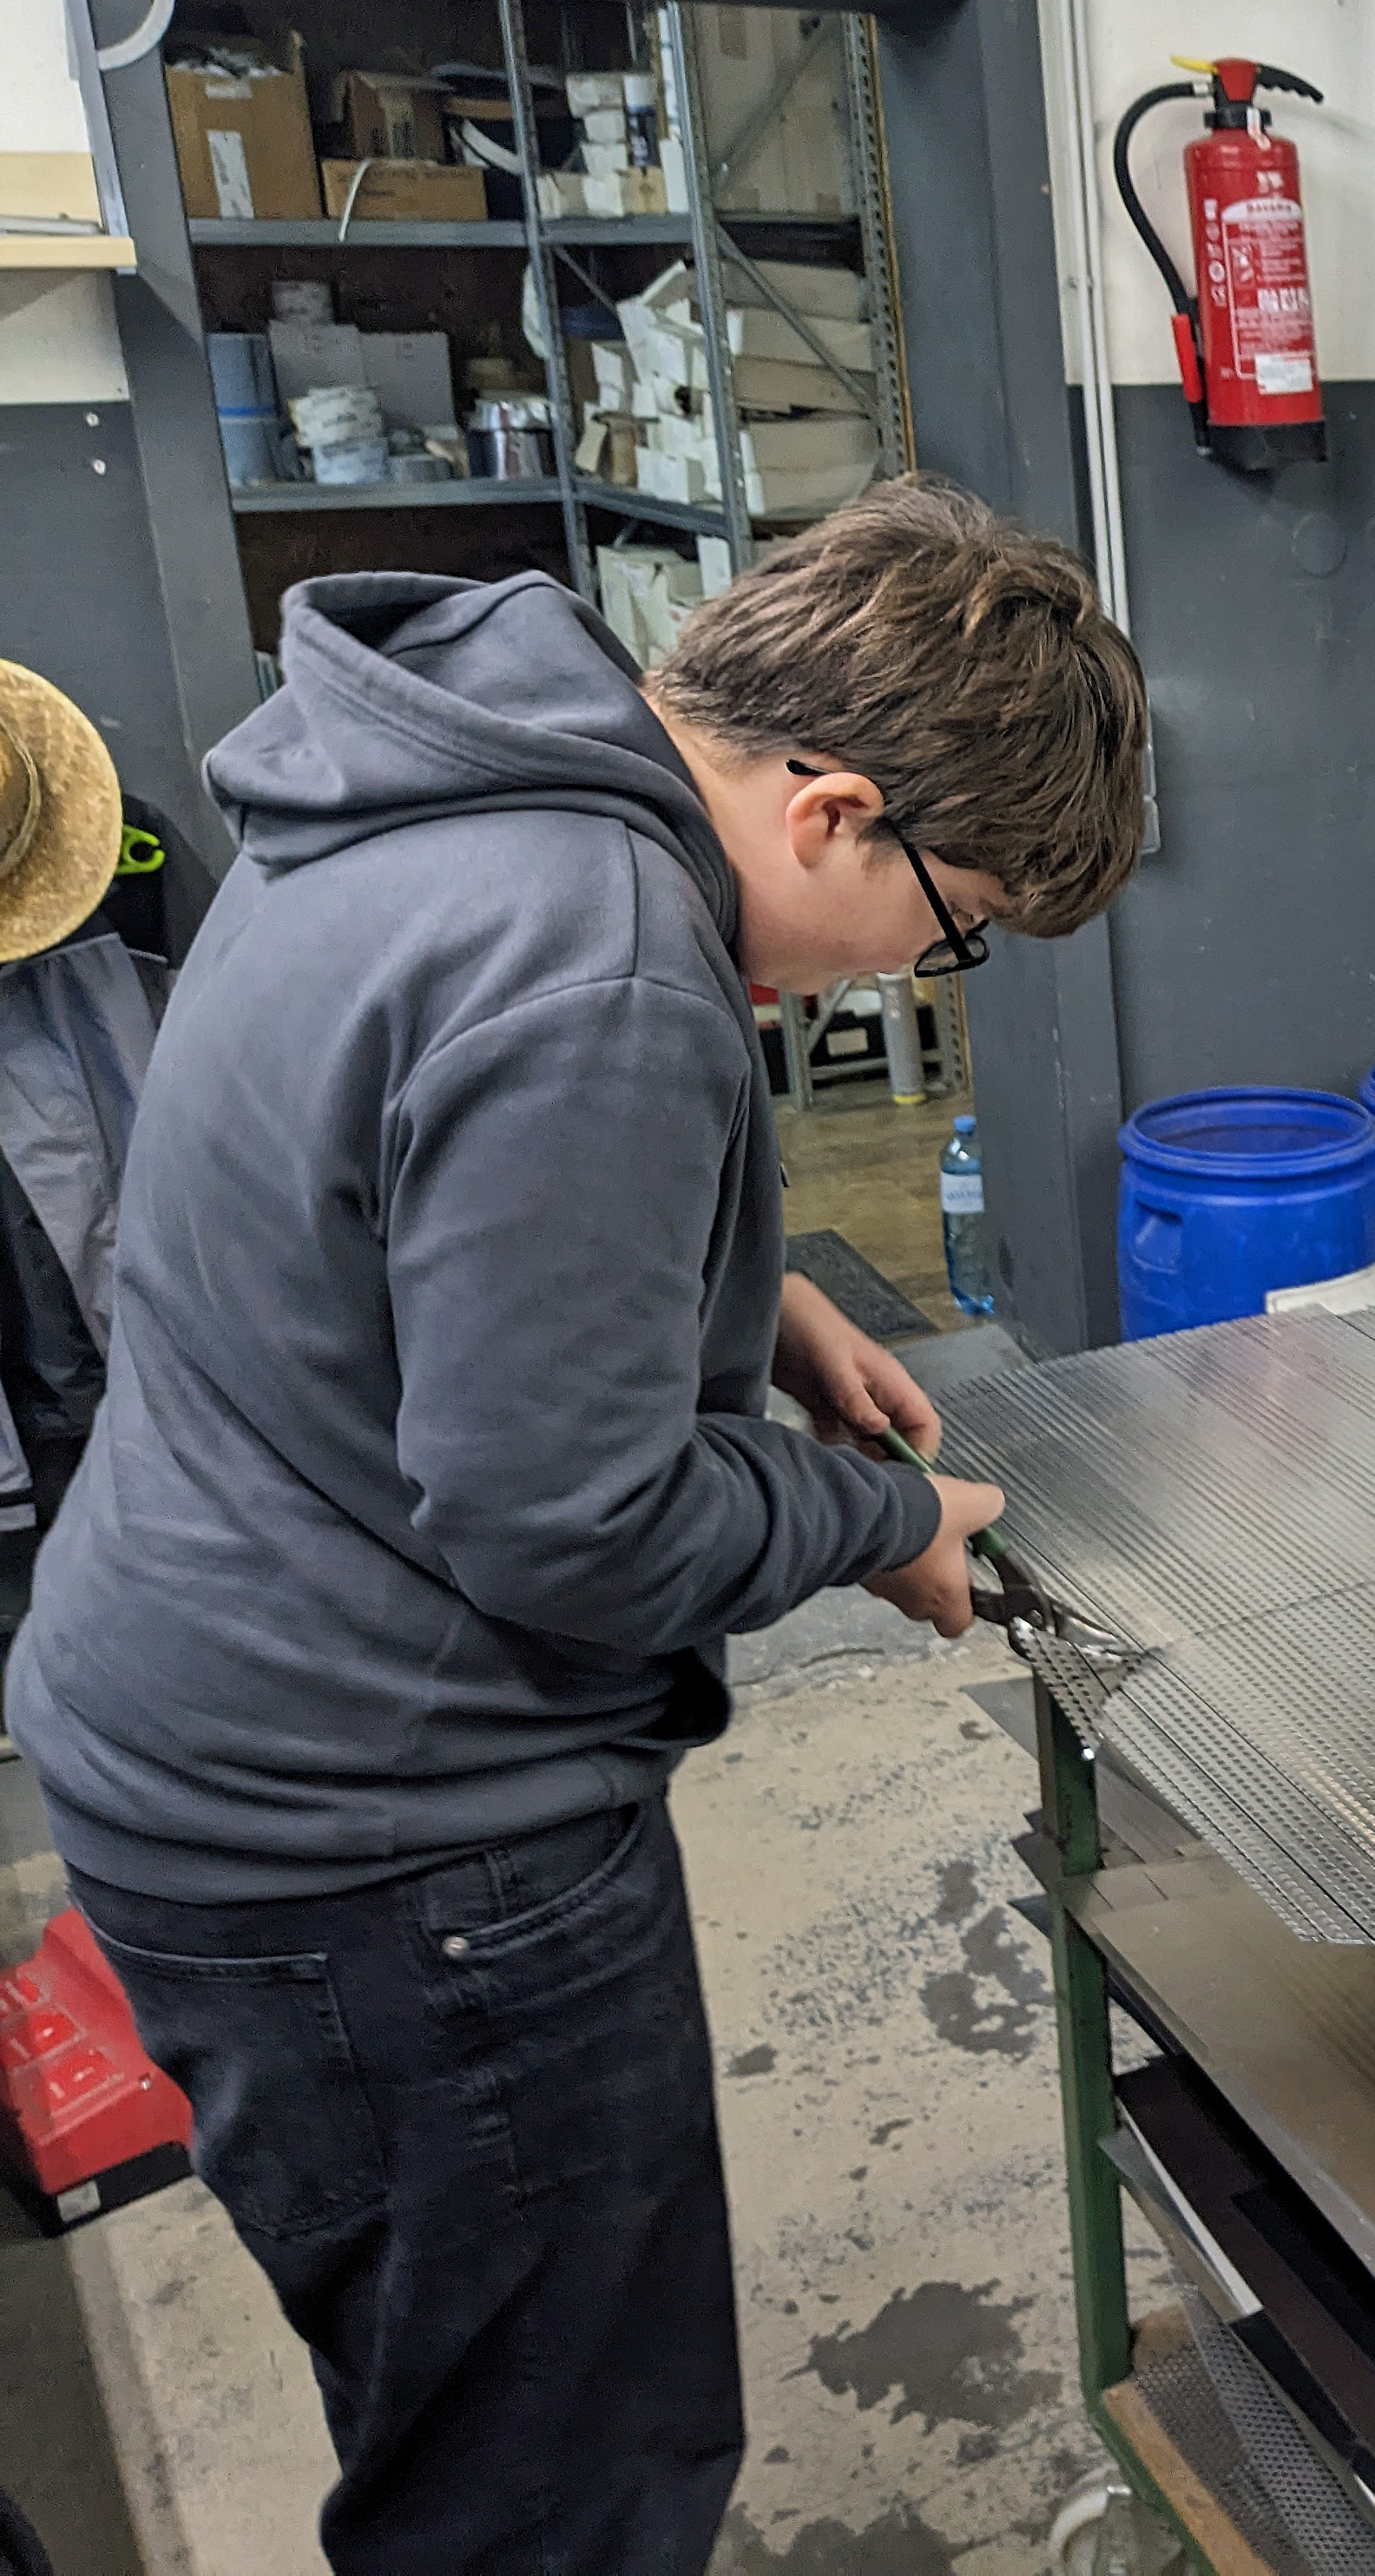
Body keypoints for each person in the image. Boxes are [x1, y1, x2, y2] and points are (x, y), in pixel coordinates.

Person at [3, 477, 1148, 2573]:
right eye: (952, 921)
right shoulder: (602, 965)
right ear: (831, 812)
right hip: (383, 1840)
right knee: (553, 2489)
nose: (926, 967)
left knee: (460, 2413)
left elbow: (390, 1183)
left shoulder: (439, 778)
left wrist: (742, 1287)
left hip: (206, 1709)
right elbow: (572, 1520)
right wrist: (872, 1512)